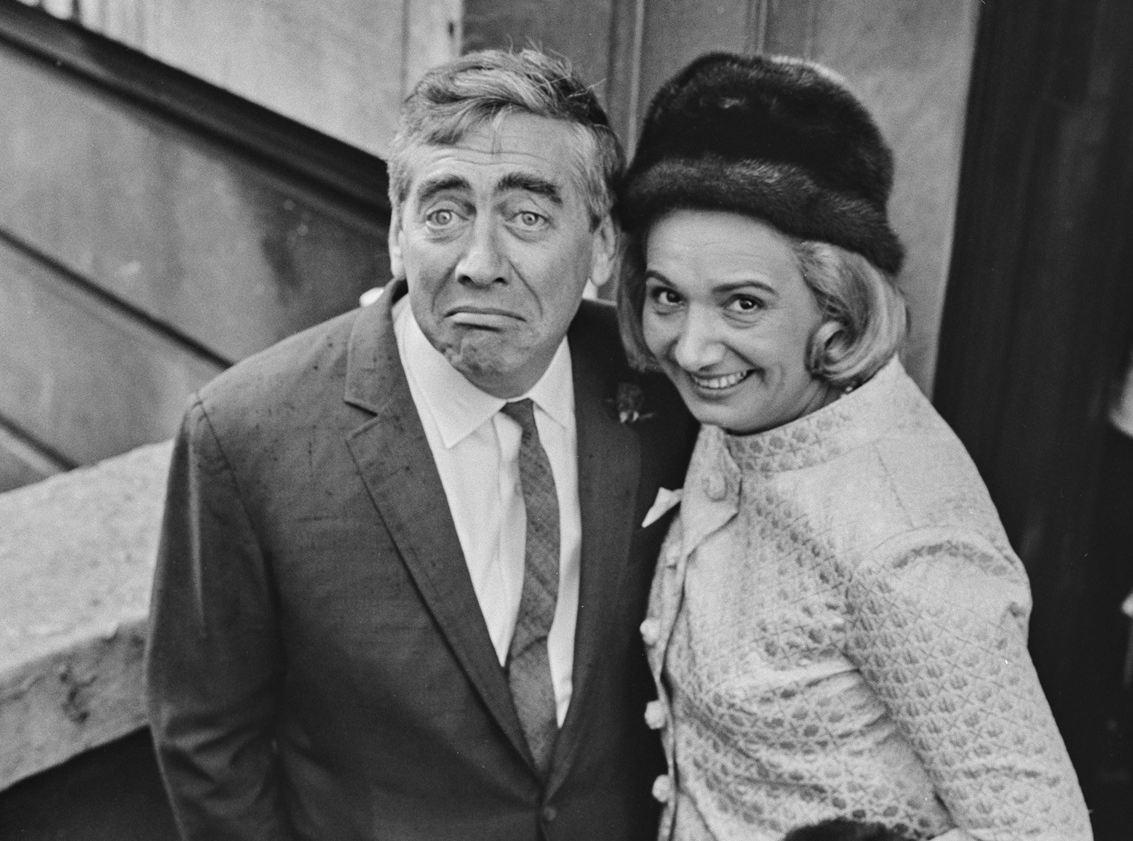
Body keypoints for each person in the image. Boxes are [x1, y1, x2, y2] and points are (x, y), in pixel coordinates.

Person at [145, 48, 696, 841]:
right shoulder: (245, 435)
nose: (479, 264)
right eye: (444, 213)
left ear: (603, 246)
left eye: (528, 216)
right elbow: (208, 741)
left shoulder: (659, 390)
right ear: (398, 236)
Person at [614, 52, 1093, 841]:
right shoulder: (754, 405)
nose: (692, 349)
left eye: (742, 303)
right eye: (667, 296)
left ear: (836, 307)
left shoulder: (906, 546)